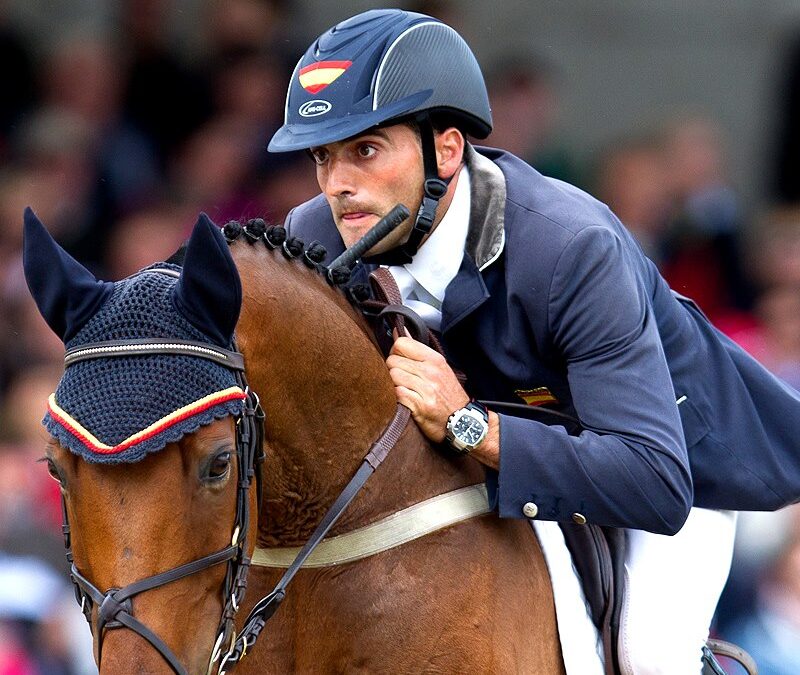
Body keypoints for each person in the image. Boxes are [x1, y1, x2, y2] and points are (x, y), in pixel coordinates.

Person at [267, 9, 800, 674]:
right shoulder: (318, 236)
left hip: (669, 463)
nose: (336, 183)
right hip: (508, 455)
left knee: (648, 653)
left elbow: (653, 480)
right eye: (322, 157)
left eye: (365, 151)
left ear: (447, 150)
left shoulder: (571, 248)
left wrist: (469, 424)